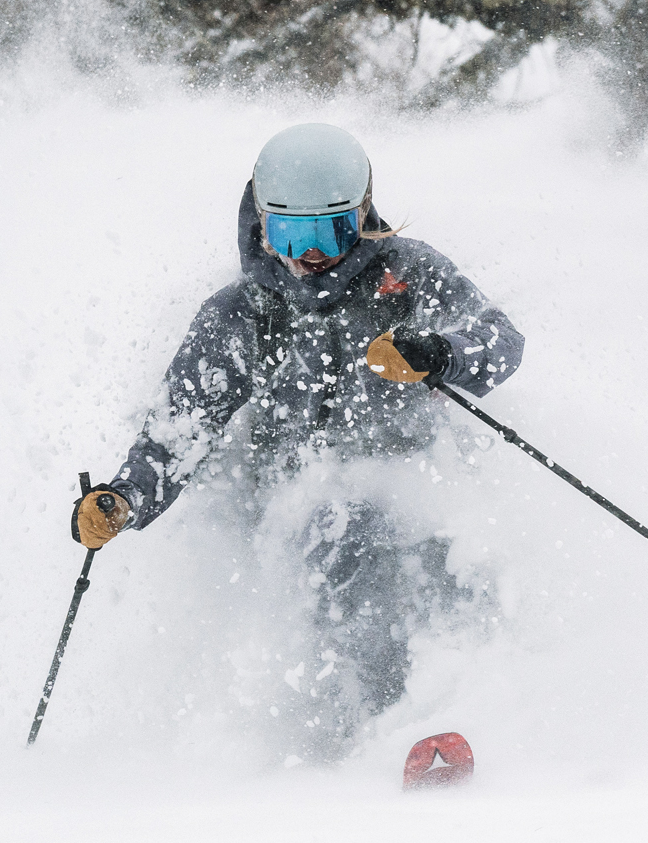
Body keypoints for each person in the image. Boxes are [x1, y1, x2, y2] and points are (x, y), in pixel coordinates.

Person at [69, 121, 523, 751]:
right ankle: (358, 741)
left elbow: (500, 342)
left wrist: (438, 352)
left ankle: (472, 715)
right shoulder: (241, 315)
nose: (312, 254)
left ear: (363, 214)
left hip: (417, 482)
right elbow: (180, 431)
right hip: (298, 507)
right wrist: (125, 499)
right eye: (291, 232)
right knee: (346, 540)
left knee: (452, 558)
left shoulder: (408, 276)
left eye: (330, 230)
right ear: (261, 223)